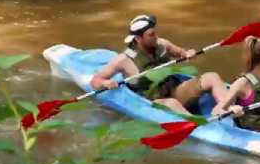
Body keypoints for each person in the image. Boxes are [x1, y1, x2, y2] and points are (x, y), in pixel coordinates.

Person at [90, 14, 228, 114]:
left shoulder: (162, 44)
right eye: (151, 35)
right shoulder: (123, 60)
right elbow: (95, 80)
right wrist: (105, 83)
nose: (156, 37)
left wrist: (188, 53)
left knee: (211, 76)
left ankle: (223, 108)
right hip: (151, 101)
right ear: (138, 38)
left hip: (174, 90)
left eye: (155, 33)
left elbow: (181, 53)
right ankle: (202, 127)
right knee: (172, 104)